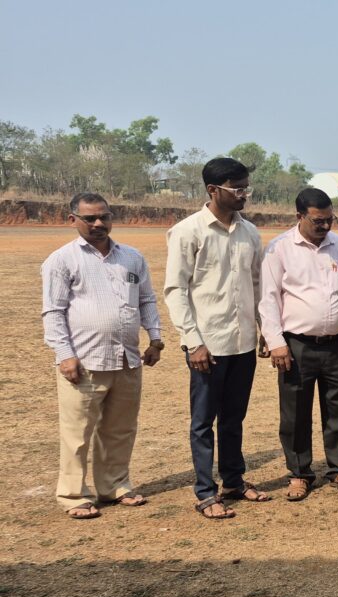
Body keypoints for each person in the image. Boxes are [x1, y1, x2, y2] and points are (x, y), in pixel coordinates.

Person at [42, 193, 163, 519]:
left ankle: (114, 486)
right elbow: (53, 313)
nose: (98, 224)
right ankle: (73, 495)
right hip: (83, 362)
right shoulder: (62, 260)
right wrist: (65, 355)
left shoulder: (132, 258)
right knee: (77, 433)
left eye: (103, 217)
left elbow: (147, 301)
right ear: (72, 220)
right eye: (89, 218)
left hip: (127, 359)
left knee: (120, 429)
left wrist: (155, 338)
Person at [165, 158, 270, 519]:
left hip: (242, 342)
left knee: (233, 419)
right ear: (213, 190)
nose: (245, 195)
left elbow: (257, 286)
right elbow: (176, 290)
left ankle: (234, 481)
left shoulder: (250, 233)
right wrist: (192, 342)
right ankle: (206, 492)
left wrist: (264, 330)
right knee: (202, 423)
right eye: (237, 188)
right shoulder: (188, 231)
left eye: (246, 187)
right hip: (207, 346)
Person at [259, 188, 338, 501]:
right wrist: (276, 343)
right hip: (296, 345)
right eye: (318, 221)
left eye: (330, 219)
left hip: (337, 344)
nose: (326, 226)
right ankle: (300, 473)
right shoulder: (279, 248)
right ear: (299, 216)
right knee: (294, 413)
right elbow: (268, 298)